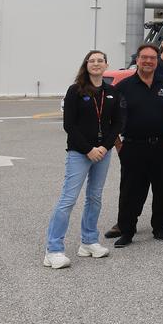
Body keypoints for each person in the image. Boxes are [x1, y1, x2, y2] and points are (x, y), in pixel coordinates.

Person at [45, 50, 122, 268]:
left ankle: (88, 241)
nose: (96, 64)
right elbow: (69, 125)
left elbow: (118, 123)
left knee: (94, 197)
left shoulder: (112, 92)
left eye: (100, 60)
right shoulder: (75, 90)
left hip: (103, 153)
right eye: (92, 61)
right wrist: (89, 149)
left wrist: (104, 147)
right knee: (68, 199)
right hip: (80, 152)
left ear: (106, 65)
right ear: (86, 65)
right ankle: (53, 250)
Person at [105, 44, 163, 246]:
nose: (148, 61)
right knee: (131, 191)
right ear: (137, 60)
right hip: (133, 147)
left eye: (152, 58)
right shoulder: (123, 87)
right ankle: (127, 231)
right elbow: (111, 119)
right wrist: (118, 145)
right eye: (144, 57)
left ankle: (160, 228)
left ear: (157, 61)